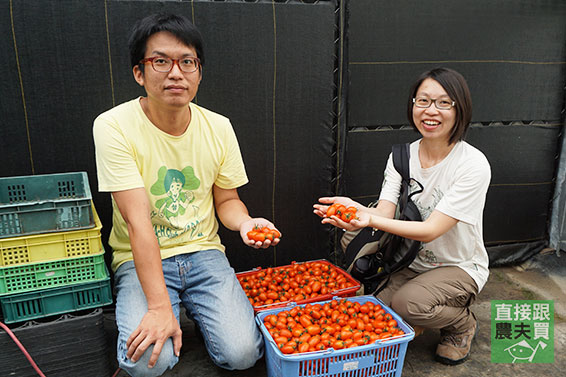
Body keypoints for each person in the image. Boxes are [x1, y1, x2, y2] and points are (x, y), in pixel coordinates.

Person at [93, 13, 280, 377]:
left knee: (242, 354)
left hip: (203, 253)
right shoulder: (113, 126)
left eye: (187, 62)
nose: (176, 73)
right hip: (140, 256)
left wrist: (245, 223)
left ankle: (192, 309)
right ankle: (171, 311)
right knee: (147, 365)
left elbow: (227, 200)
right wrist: (160, 306)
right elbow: (137, 221)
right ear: (139, 73)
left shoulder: (219, 127)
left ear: (198, 72)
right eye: (160, 61)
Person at [314, 67, 491, 365]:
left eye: (443, 103)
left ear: (460, 108)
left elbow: (432, 229)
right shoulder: (402, 156)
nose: (431, 111)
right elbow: (385, 211)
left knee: (408, 305)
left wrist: (369, 219)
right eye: (422, 101)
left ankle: (460, 323)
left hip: (459, 267)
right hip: (411, 263)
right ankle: (421, 309)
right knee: (371, 315)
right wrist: (357, 215)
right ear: (412, 106)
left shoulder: (472, 164)